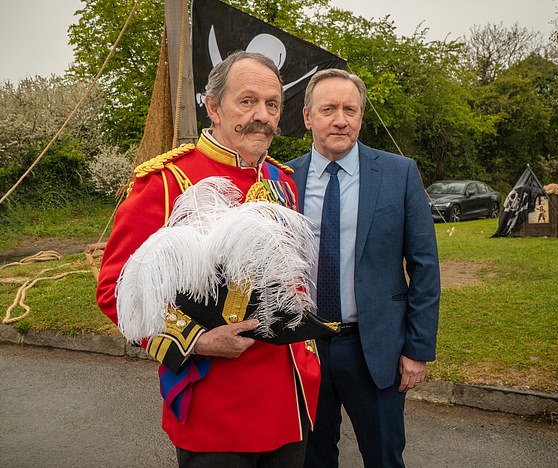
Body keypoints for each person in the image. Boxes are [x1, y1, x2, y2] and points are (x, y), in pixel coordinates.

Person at [96, 51, 320, 467]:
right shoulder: (165, 182)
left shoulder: (280, 179)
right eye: (247, 101)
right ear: (212, 107)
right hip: (216, 411)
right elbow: (114, 292)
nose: (262, 115)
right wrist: (197, 341)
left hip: (290, 400)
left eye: (272, 105)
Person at [287, 69, 440, 468]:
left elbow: (424, 266)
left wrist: (418, 349)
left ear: (360, 116)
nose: (341, 119)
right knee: (312, 459)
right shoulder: (282, 178)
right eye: (329, 109)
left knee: (385, 457)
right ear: (307, 117)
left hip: (377, 349)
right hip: (306, 347)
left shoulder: (399, 173)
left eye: (350, 109)